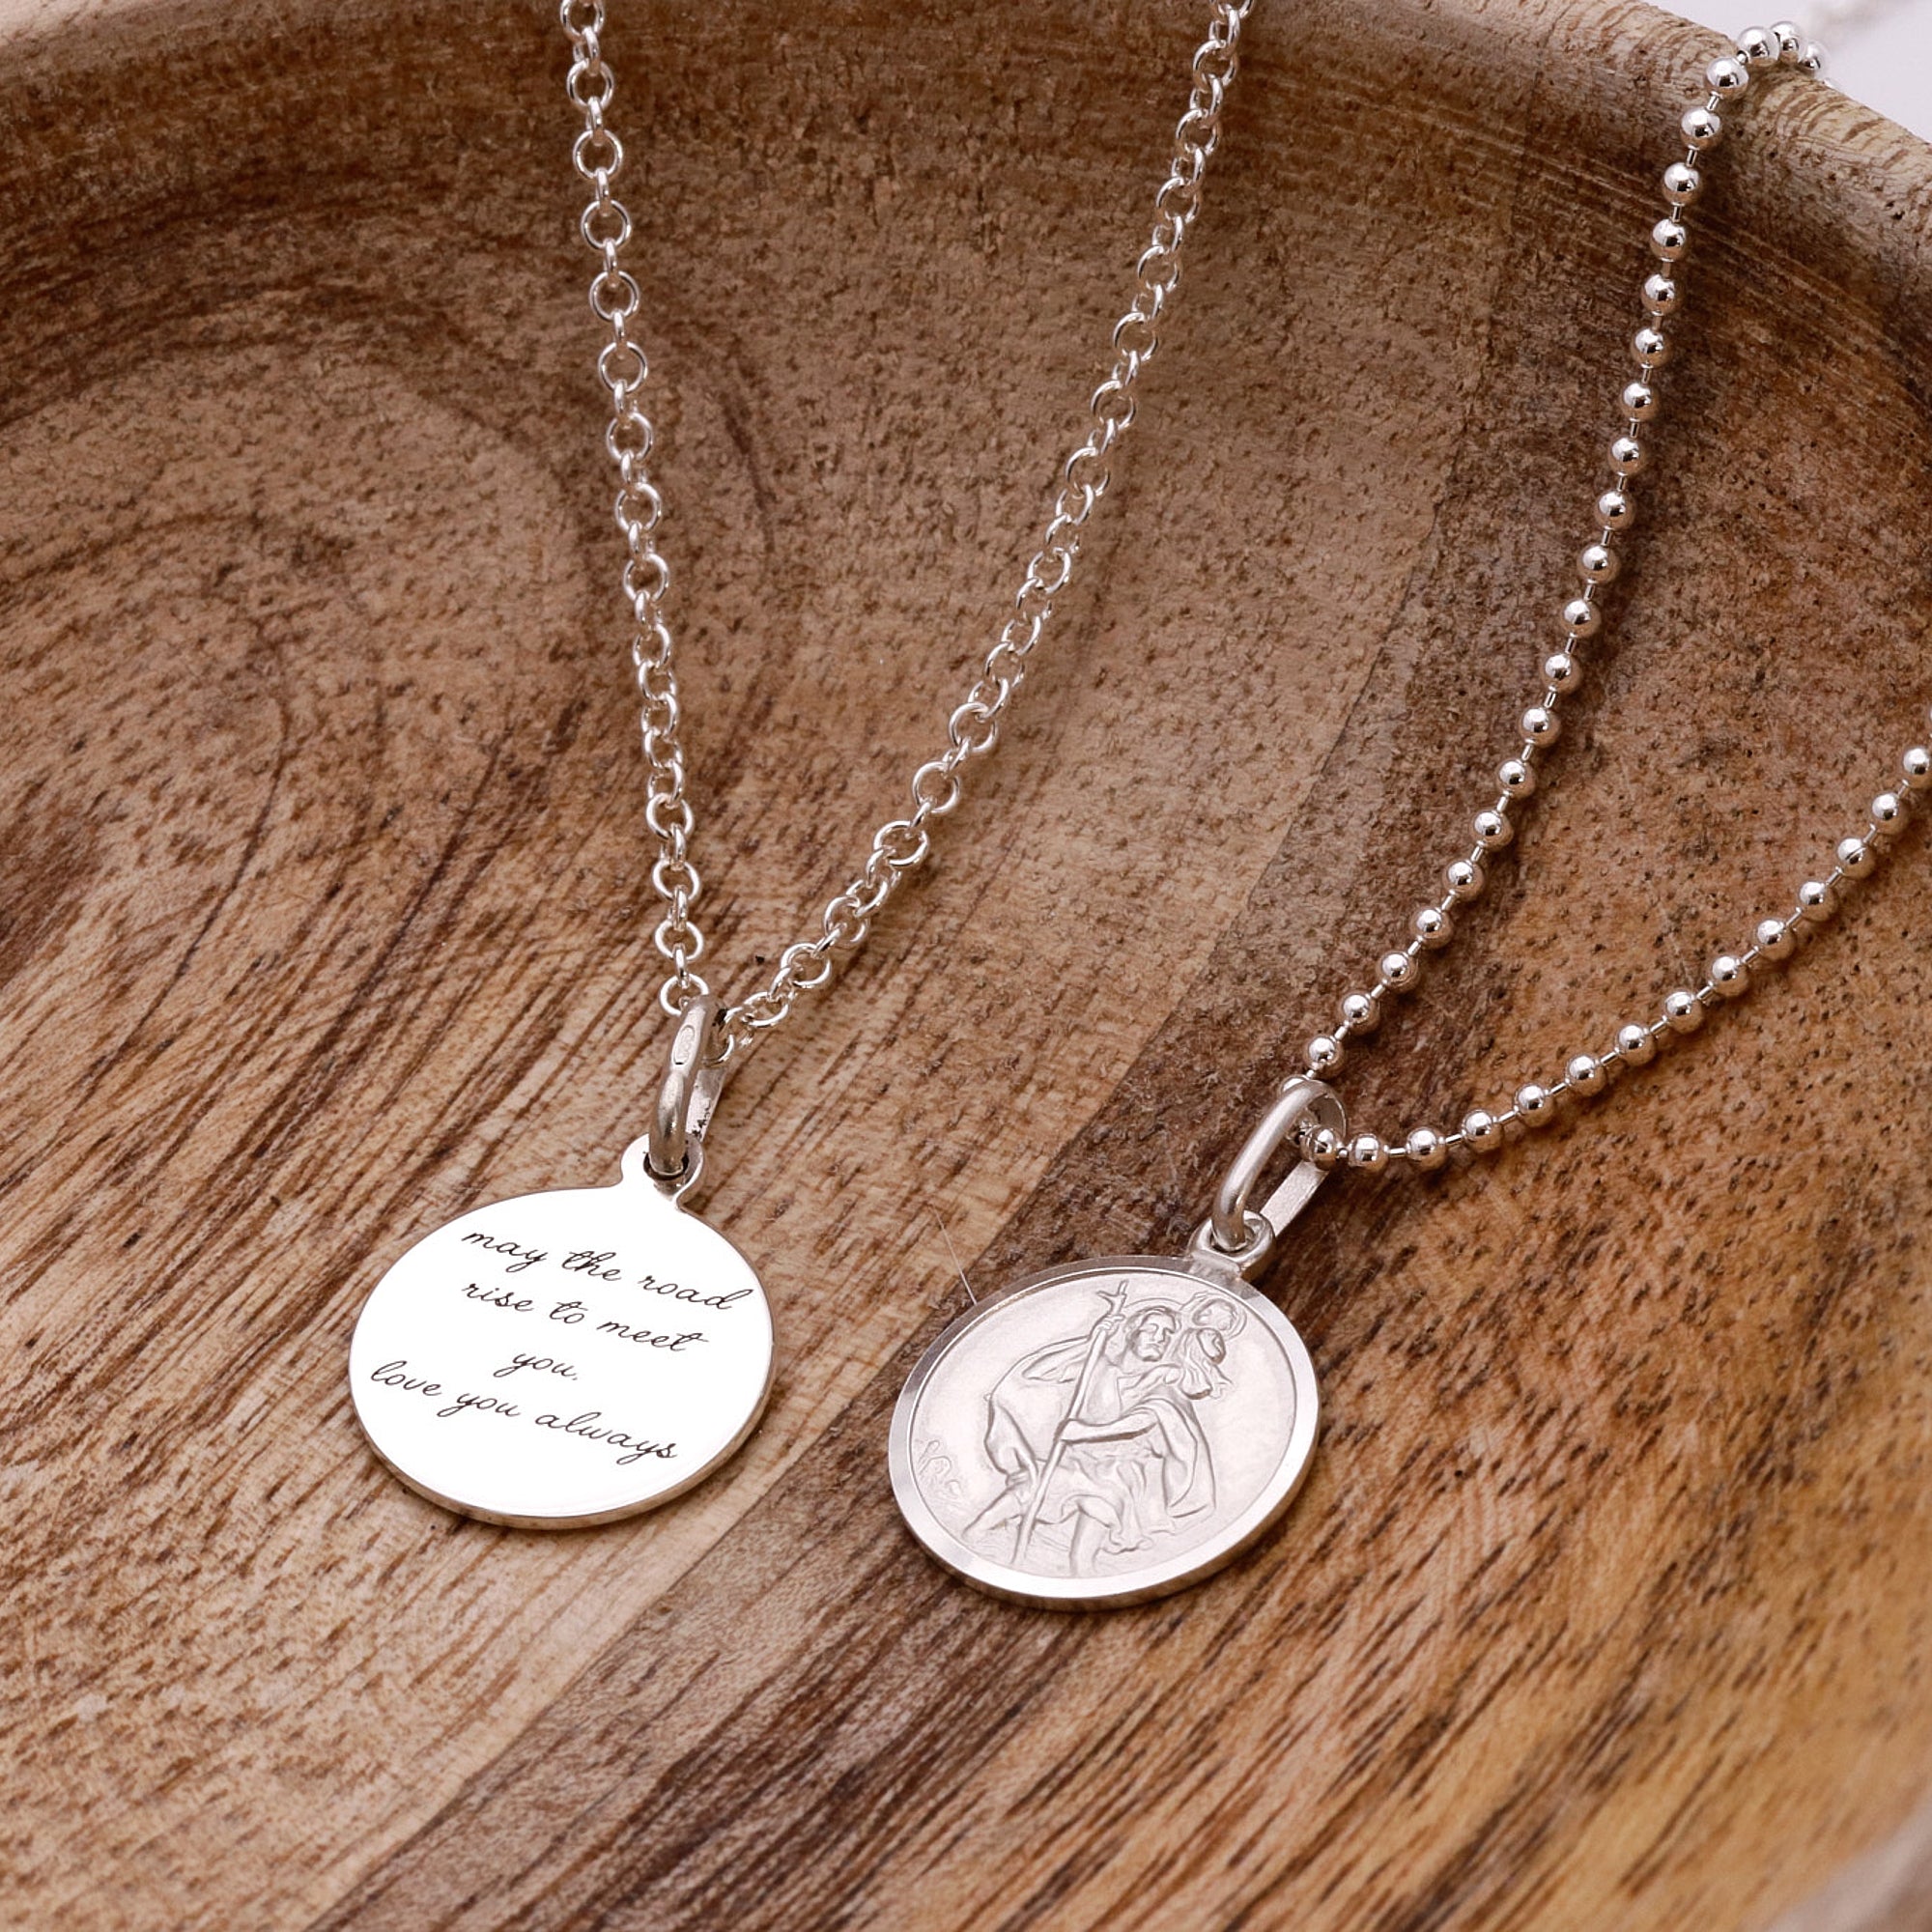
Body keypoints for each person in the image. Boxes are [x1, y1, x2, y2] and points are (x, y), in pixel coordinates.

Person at [965, 1287, 1240, 1574]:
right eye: (1152, 1329)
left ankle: (1077, 1581)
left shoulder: (1163, 1383)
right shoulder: (1099, 1366)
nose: (1159, 1337)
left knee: (1082, 1555)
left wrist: (1083, 1432)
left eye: (1167, 1334)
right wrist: (1090, 1341)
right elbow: (1037, 1373)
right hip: (1077, 1460)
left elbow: (1143, 1420)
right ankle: (973, 1538)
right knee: (1030, 1489)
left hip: (1122, 1475)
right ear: (1133, 1331)